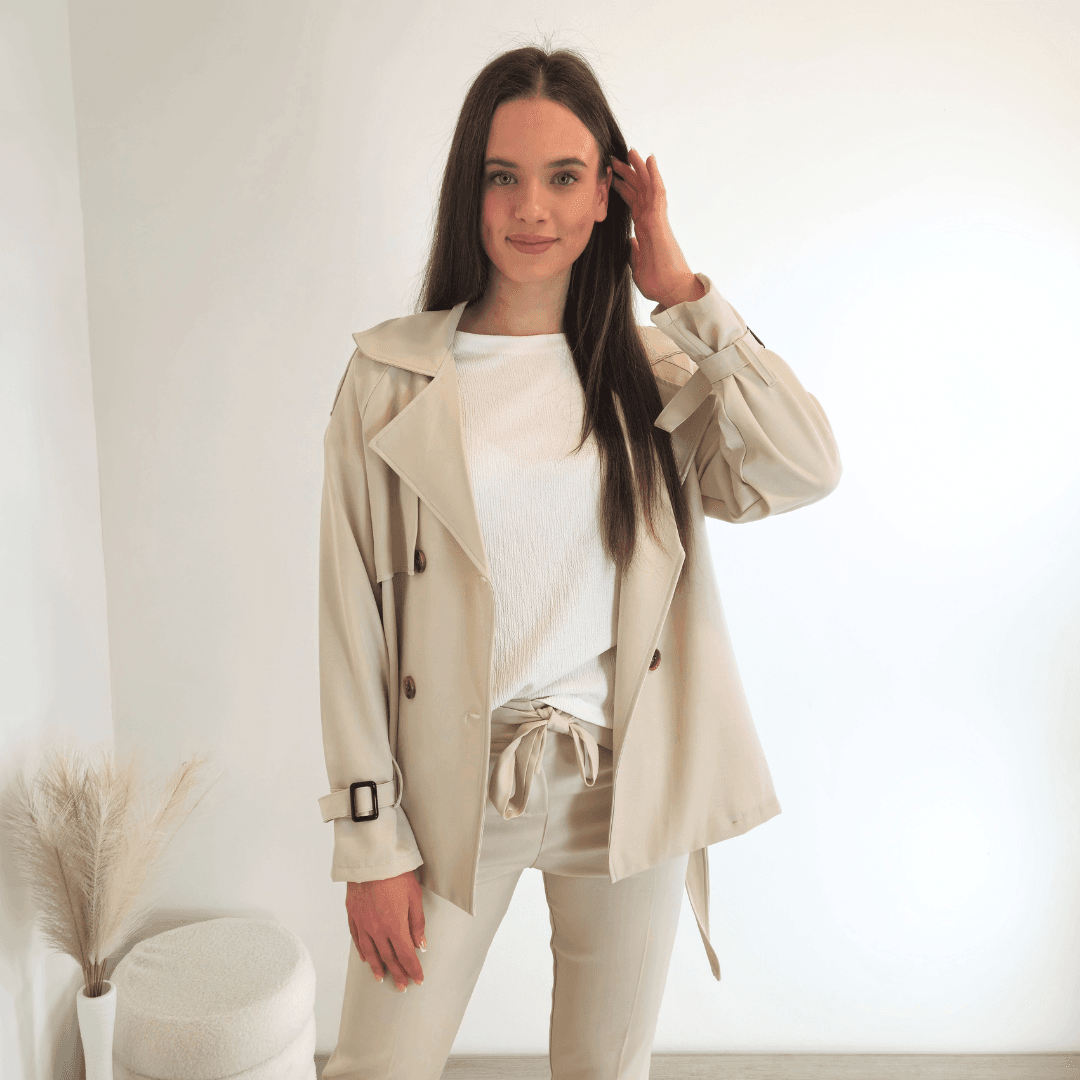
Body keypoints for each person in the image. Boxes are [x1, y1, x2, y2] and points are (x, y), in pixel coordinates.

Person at [318, 42, 841, 1080]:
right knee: (378, 1067)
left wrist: (683, 291)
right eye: (502, 176)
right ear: (469, 190)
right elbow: (349, 622)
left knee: (606, 1071)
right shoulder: (388, 378)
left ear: (609, 195)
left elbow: (805, 467)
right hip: (451, 785)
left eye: (564, 177)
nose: (532, 209)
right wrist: (369, 842)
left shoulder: (658, 371)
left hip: (624, 780)